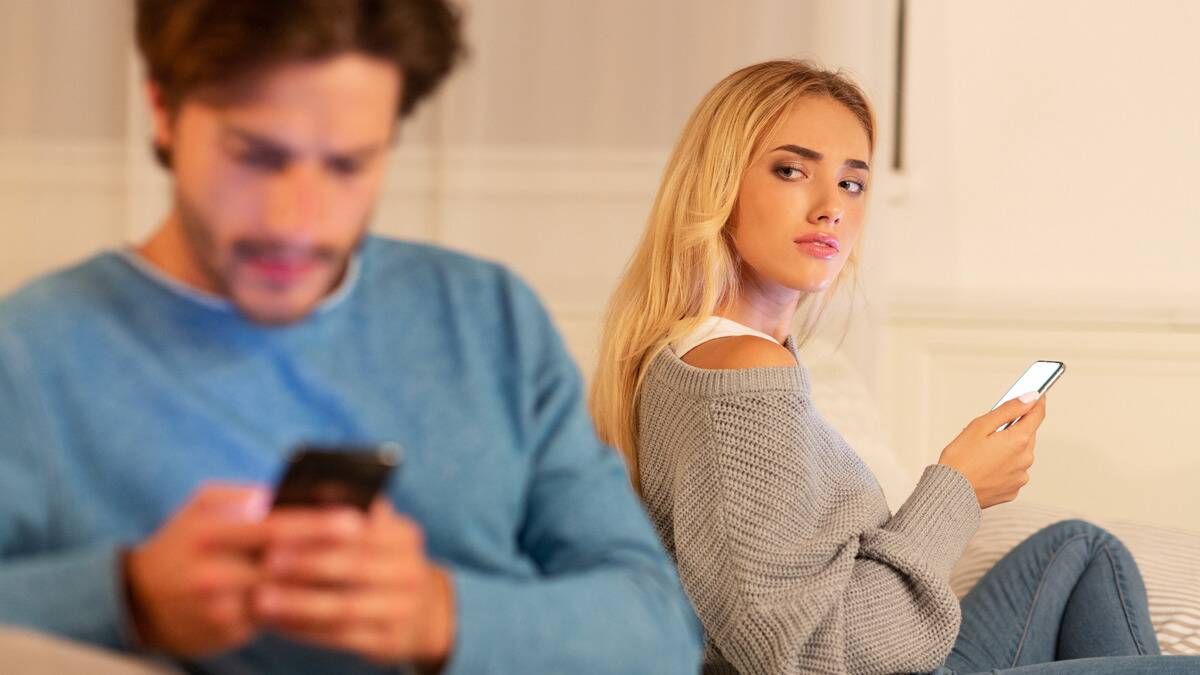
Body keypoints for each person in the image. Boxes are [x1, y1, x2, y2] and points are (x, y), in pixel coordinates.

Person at [0, 1, 702, 673]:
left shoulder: (488, 317)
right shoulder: (32, 353)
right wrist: (126, 599)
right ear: (162, 110)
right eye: (255, 156)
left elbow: (660, 633)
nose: (296, 222)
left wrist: (437, 617)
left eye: (347, 166)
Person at [590, 59, 1200, 675]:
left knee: (1079, 549)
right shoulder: (742, 374)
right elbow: (801, 654)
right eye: (792, 170)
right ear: (717, 184)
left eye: (852, 184)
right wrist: (958, 488)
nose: (831, 207)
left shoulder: (705, 357)